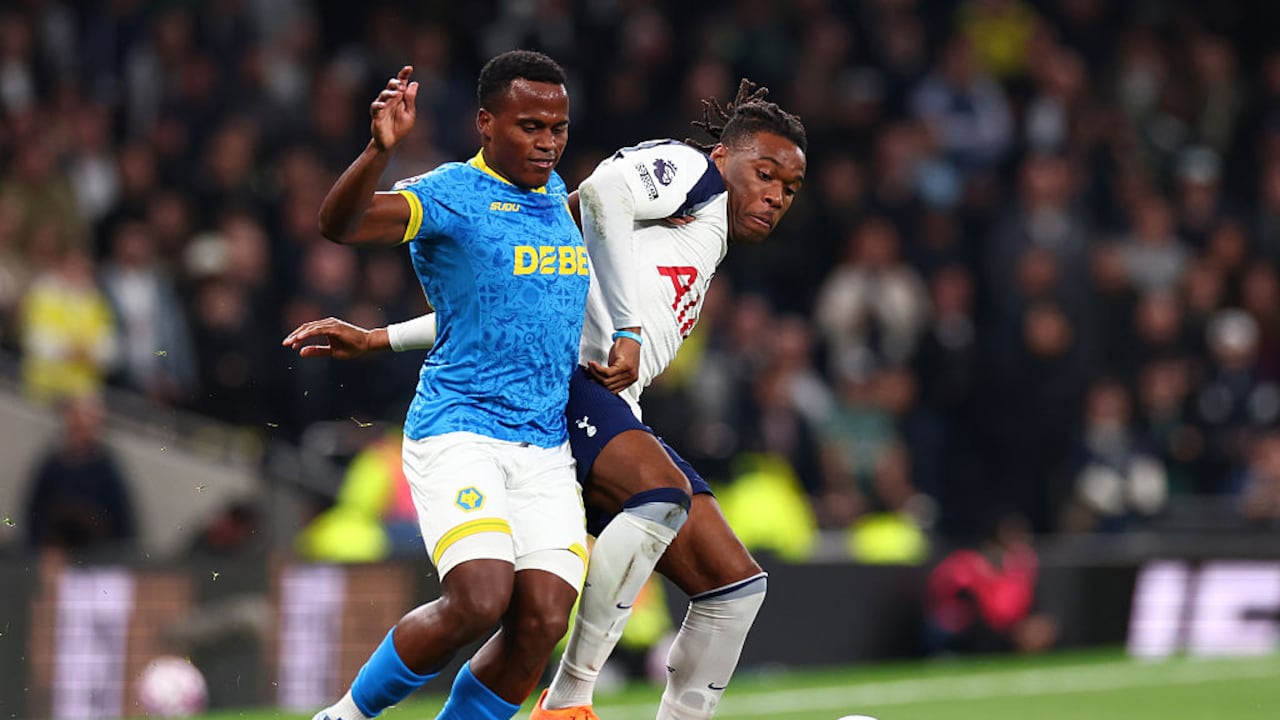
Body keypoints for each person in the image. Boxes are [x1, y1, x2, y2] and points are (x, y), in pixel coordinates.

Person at [286, 78, 808, 720]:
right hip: (568, 388)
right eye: (764, 174)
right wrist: (626, 327)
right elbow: (607, 191)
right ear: (724, 156)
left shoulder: (640, 223)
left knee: (732, 586)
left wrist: (381, 337)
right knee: (655, 499)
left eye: (789, 189)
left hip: (580, 413)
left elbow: (514, 299)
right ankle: (569, 698)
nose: (775, 196)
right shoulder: (693, 174)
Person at [303, 51, 592, 720]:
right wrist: (379, 150)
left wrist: (379, 338)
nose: (547, 143)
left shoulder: (555, 195)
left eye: (558, 128)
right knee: (479, 599)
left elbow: (488, 310)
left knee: (544, 620)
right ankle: (343, 717)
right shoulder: (450, 193)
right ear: (486, 122)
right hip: (461, 430)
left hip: (544, 446)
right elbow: (339, 225)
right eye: (529, 126)